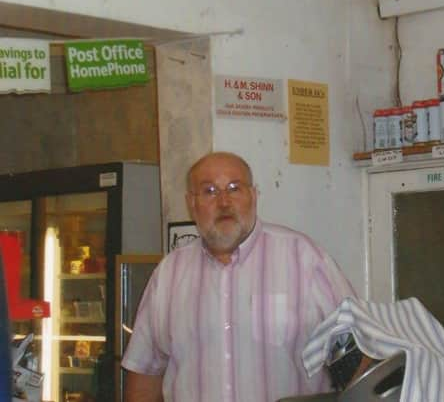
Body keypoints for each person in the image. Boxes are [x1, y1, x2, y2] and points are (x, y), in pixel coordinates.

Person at [122, 151, 355, 402]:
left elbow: (359, 357)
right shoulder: (169, 273)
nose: (224, 202)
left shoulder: (305, 259)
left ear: (253, 196)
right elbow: (146, 372)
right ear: (192, 204)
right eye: (209, 191)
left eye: (234, 188)